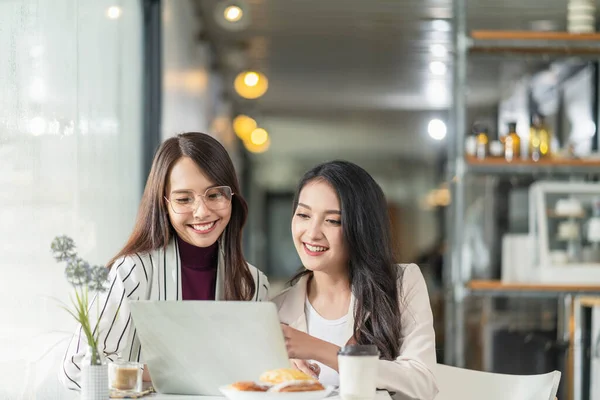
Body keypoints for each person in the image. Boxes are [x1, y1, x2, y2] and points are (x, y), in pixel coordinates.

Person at [60, 132, 269, 390]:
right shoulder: (133, 272)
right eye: (184, 199)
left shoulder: (253, 283)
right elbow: (77, 367)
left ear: (232, 197)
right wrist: (169, 371)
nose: (202, 211)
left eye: (214, 195)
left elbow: (255, 375)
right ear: (164, 204)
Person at [272, 160, 438, 400]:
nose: (312, 232)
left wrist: (320, 349)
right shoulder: (276, 310)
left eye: (333, 220)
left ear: (361, 227)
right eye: (304, 215)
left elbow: (423, 383)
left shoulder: (402, 284)